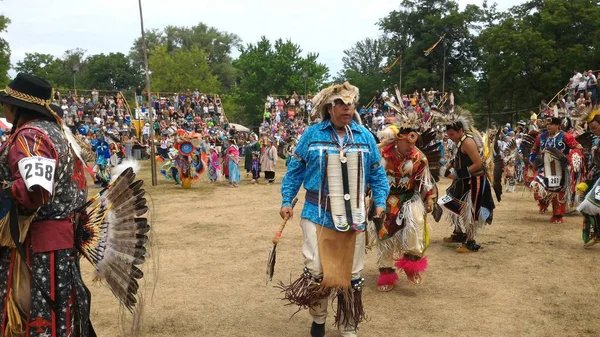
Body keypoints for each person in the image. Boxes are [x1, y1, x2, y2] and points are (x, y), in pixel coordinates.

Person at [279, 82, 388, 337]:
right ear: (330, 108)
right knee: (317, 270)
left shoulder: (363, 136)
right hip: (317, 212)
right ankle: (318, 319)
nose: (346, 109)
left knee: (352, 273)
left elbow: (377, 173)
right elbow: (295, 170)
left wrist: (380, 202)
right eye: (340, 104)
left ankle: (348, 324)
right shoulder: (312, 135)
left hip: (355, 215)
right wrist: (287, 200)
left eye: (350, 104)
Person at [370, 121, 437, 291]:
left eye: (413, 142)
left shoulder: (419, 158)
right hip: (384, 199)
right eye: (407, 142)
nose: (411, 145)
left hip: (408, 197)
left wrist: (429, 197)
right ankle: (386, 272)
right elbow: (369, 176)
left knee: (416, 223)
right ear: (397, 140)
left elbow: (425, 181)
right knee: (384, 235)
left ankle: (410, 265)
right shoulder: (382, 155)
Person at [439, 118, 495, 252]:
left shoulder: (468, 142)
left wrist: (458, 174)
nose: (450, 137)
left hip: (475, 181)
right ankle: (459, 233)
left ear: (460, 131)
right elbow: (456, 158)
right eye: (449, 135)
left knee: (470, 211)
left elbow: (478, 164)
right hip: (464, 181)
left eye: (452, 134)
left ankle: (470, 241)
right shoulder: (459, 142)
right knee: (452, 203)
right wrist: (445, 168)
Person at [529, 117, 582, 223]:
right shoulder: (541, 137)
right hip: (544, 166)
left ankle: (557, 215)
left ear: (558, 125)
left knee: (558, 191)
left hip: (561, 167)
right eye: (547, 124)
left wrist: (572, 156)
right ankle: (544, 202)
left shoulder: (565, 136)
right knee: (538, 183)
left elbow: (578, 147)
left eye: (551, 124)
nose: (548, 126)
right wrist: (532, 159)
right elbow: (534, 149)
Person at [577, 108, 600, 246]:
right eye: (590, 129)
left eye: (594, 128)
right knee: (587, 205)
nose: (592, 131)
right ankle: (597, 233)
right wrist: (593, 170)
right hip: (596, 178)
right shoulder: (596, 141)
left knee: (589, 204)